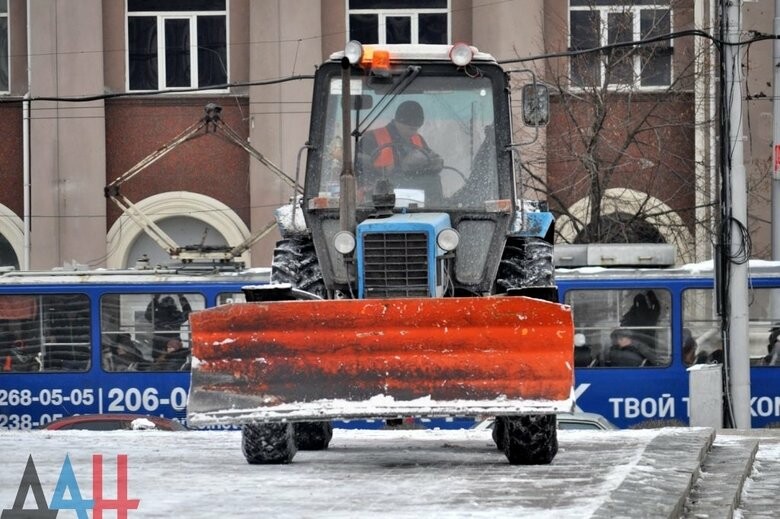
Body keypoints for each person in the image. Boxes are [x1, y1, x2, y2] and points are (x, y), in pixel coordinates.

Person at [358, 100, 444, 203]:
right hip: (379, 200)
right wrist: (400, 167)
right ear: (398, 121)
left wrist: (435, 163)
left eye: (416, 129)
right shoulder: (371, 139)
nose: (414, 133)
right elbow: (360, 171)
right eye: (411, 128)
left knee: (433, 180)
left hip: (416, 200)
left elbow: (430, 160)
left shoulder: (417, 139)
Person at [145, 294, 191, 360]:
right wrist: (181, 297)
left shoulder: (157, 316)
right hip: (175, 347)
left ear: (160, 305)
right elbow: (188, 314)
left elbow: (148, 314)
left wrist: (155, 299)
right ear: (174, 306)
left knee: (158, 366)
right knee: (176, 364)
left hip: (159, 346)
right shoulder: (177, 316)